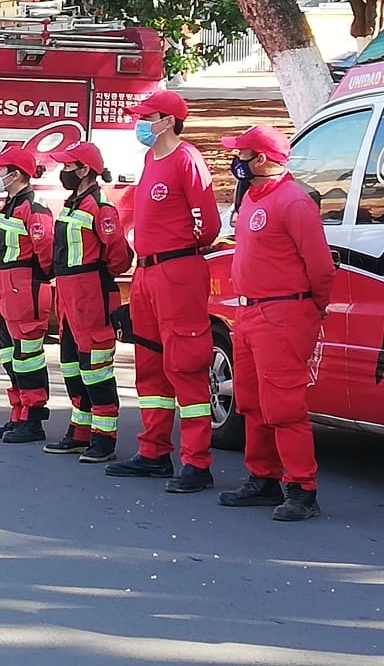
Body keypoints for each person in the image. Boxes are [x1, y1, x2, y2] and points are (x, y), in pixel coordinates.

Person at [217, 125, 335, 522]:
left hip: (283, 313)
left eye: (243, 154)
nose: (237, 161)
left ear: (262, 159)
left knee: (284, 405)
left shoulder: (294, 203)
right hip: (251, 313)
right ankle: (262, 478)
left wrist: (309, 311)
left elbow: (320, 268)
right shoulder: (253, 198)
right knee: (250, 402)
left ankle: (302, 488)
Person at [107, 90, 222, 492]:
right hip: (148, 272)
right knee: (150, 364)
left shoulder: (186, 158)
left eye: (146, 117)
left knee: (185, 364)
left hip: (177, 270)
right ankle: (154, 451)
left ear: (167, 121)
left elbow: (208, 223)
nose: (139, 124)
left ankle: (196, 461)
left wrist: (181, 248)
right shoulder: (148, 159)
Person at [46, 141, 133, 462]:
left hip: (92, 292)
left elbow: (119, 257)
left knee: (95, 369)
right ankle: (80, 432)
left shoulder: (101, 207)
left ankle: (104, 438)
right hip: (70, 296)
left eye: (69, 166)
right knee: (71, 365)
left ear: (84, 170)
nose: (64, 172)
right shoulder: (74, 203)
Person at [0, 147, 54, 441]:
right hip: (3, 283)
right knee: (10, 355)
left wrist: (36, 279)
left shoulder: (32, 207)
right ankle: (18, 413)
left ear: (16, 174)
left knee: (28, 355)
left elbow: (46, 250)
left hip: (24, 283)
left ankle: (33, 420)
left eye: (0, 169)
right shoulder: (10, 204)